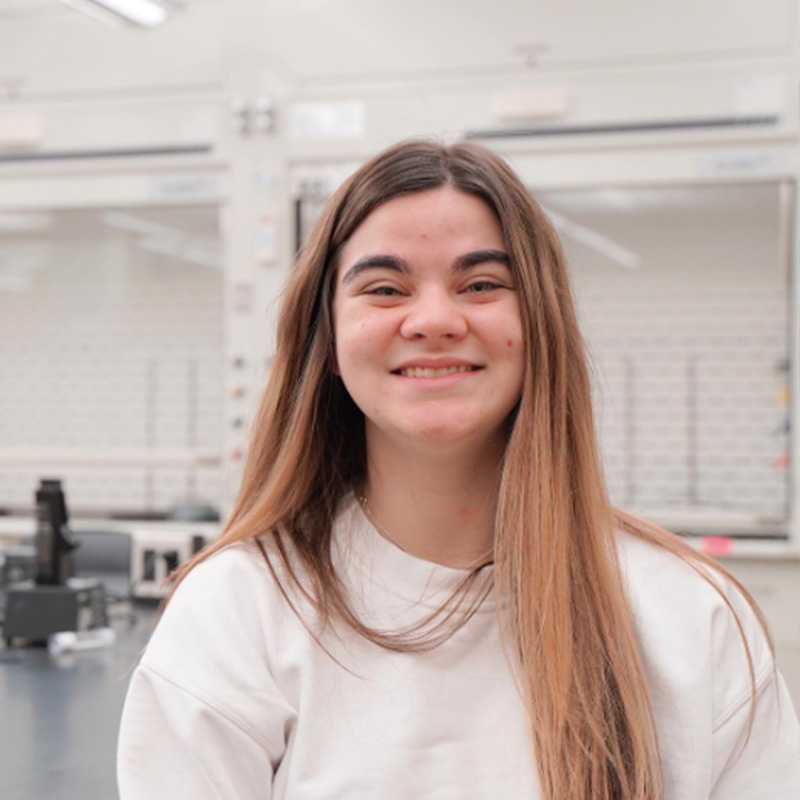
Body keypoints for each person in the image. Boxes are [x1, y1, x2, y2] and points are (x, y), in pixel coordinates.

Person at [117, 140, 800, 800]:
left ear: (540, 327)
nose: (435, 319)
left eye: (481, 284)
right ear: (327, 342)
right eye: (385, 288)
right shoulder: (236, 614)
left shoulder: (692, 614)